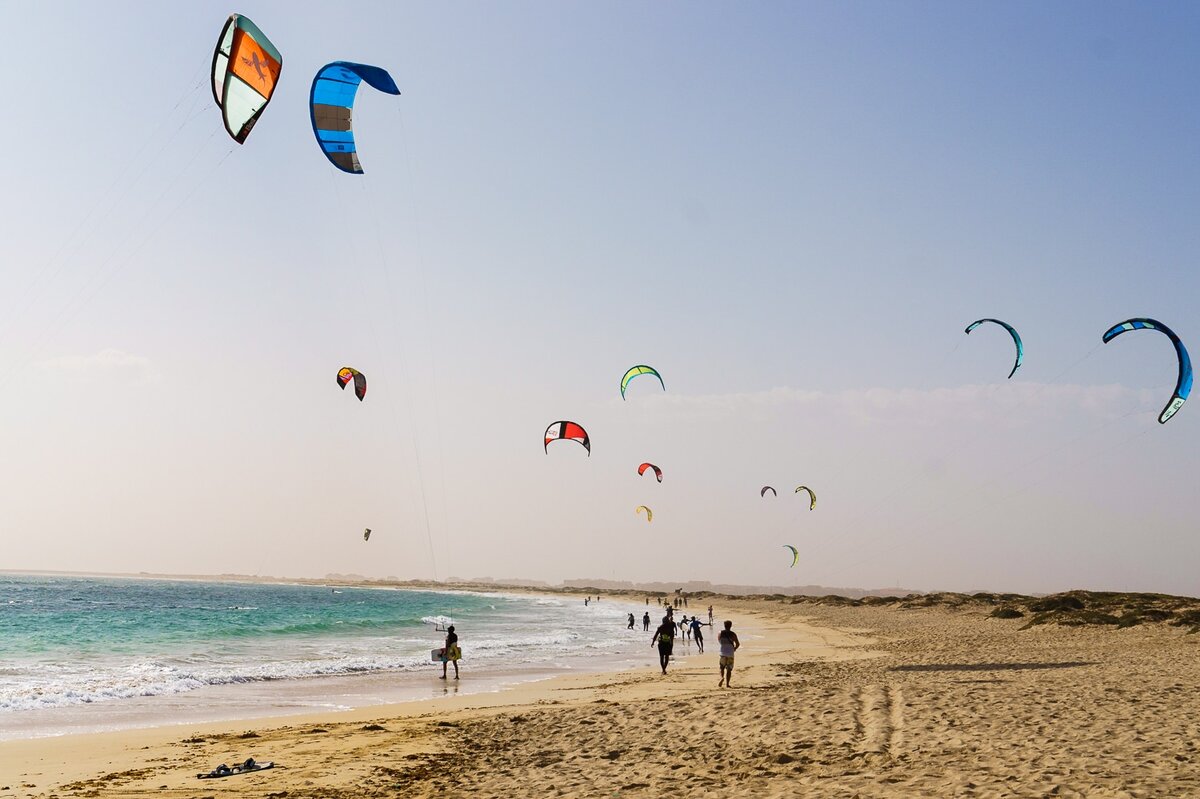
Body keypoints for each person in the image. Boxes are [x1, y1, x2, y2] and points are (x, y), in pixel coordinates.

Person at [717, 621, 740, 687]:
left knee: (722, 667)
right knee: (729, 669)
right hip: (730, 653)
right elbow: (738, 644)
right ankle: (727, 684)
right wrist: (734, 649)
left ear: (724, 625)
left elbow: (719, 641)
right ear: (731, 626)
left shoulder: (720, 633)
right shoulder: (733, 634)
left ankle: (722, 678)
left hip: (723, 652)